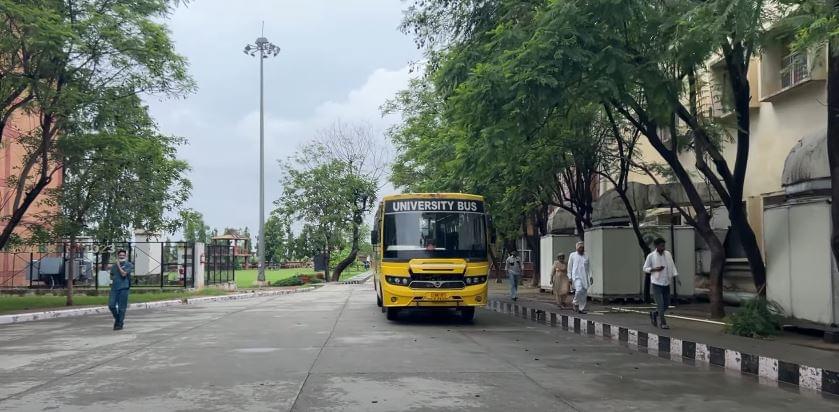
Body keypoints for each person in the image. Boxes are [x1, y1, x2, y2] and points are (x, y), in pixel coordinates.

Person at [643, 237, 679, 329]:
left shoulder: (667, 254)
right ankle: (663, 323)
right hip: (656, 283)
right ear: (656, 246)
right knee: (660, 304)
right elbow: (645, 268)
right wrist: (654, 269)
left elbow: (672, 265)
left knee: (666, 304)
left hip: (666, 282)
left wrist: (676, 276)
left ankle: (655, 313)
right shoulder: (651, 256)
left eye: (664, 245)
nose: (663, 247)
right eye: (661, 246)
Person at [108, 250, 134, 331]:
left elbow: (123, 274)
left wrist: (118, 265)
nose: (121, 256)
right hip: (114, 288)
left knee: (121, 308)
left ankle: (119, 324)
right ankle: (118, 320)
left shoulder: (128, 265)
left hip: (124, 288)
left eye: (123, 255)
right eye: (120, 255)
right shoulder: (113, 266)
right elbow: (111, 276)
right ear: (117, 256)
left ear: (125, 256)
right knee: (111, 305)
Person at [567, 241, 592, 314]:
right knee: (579, 289)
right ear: (577, 248)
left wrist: (590, 276)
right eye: (580, 248)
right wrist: (569, 277)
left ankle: (581, 309)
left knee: (584, 294)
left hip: (584, 277)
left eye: (582, 248)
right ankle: (575, 302)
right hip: (576, 276)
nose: (581, 249)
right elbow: (569, 267)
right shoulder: (572, 255)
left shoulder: (586, 256)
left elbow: (589, 267)